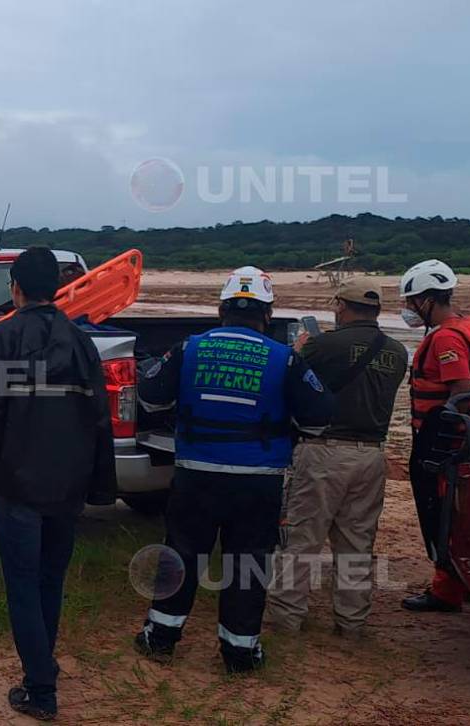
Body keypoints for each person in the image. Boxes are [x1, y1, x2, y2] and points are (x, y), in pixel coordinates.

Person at [133, 266, 332, 673]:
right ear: (267, 314)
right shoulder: (285, 359)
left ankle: (160, 638)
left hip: (196, 475)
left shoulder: (189, 348)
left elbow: (151, 398)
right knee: (248, 565)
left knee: (183, 555)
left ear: (221, 310)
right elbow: (319, 419)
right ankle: (240, 654)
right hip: (258, 482)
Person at [0, 247, 116, 721]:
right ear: (57, 287)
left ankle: (41, 687)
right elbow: (99, 418)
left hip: (17, 486)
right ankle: (41, 668)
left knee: (24, 585)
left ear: (14, 287)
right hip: (67, 486)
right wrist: (100, 483)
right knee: (50, 580)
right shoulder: (81, 342)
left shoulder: (2, 338)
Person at [264, 279, 408, 638]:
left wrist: (299, 350)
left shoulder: (324, 345)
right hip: (372, 456)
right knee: (358, 542)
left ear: (341, 306)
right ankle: (352, 622)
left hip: (324, 452)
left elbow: (291, 380)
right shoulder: (398, 351)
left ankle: (287, 618)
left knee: (302, 538)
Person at [398, 259, 470, 613]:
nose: (408, 309)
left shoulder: (447, 337)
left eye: (410, 302)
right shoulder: (469, 325)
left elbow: (461, 390)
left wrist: (441, 439)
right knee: (459, 514)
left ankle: (446, 590)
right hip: (464, 439)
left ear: (427, 300)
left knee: (438, 514)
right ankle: (466, 582)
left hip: (443, 443)